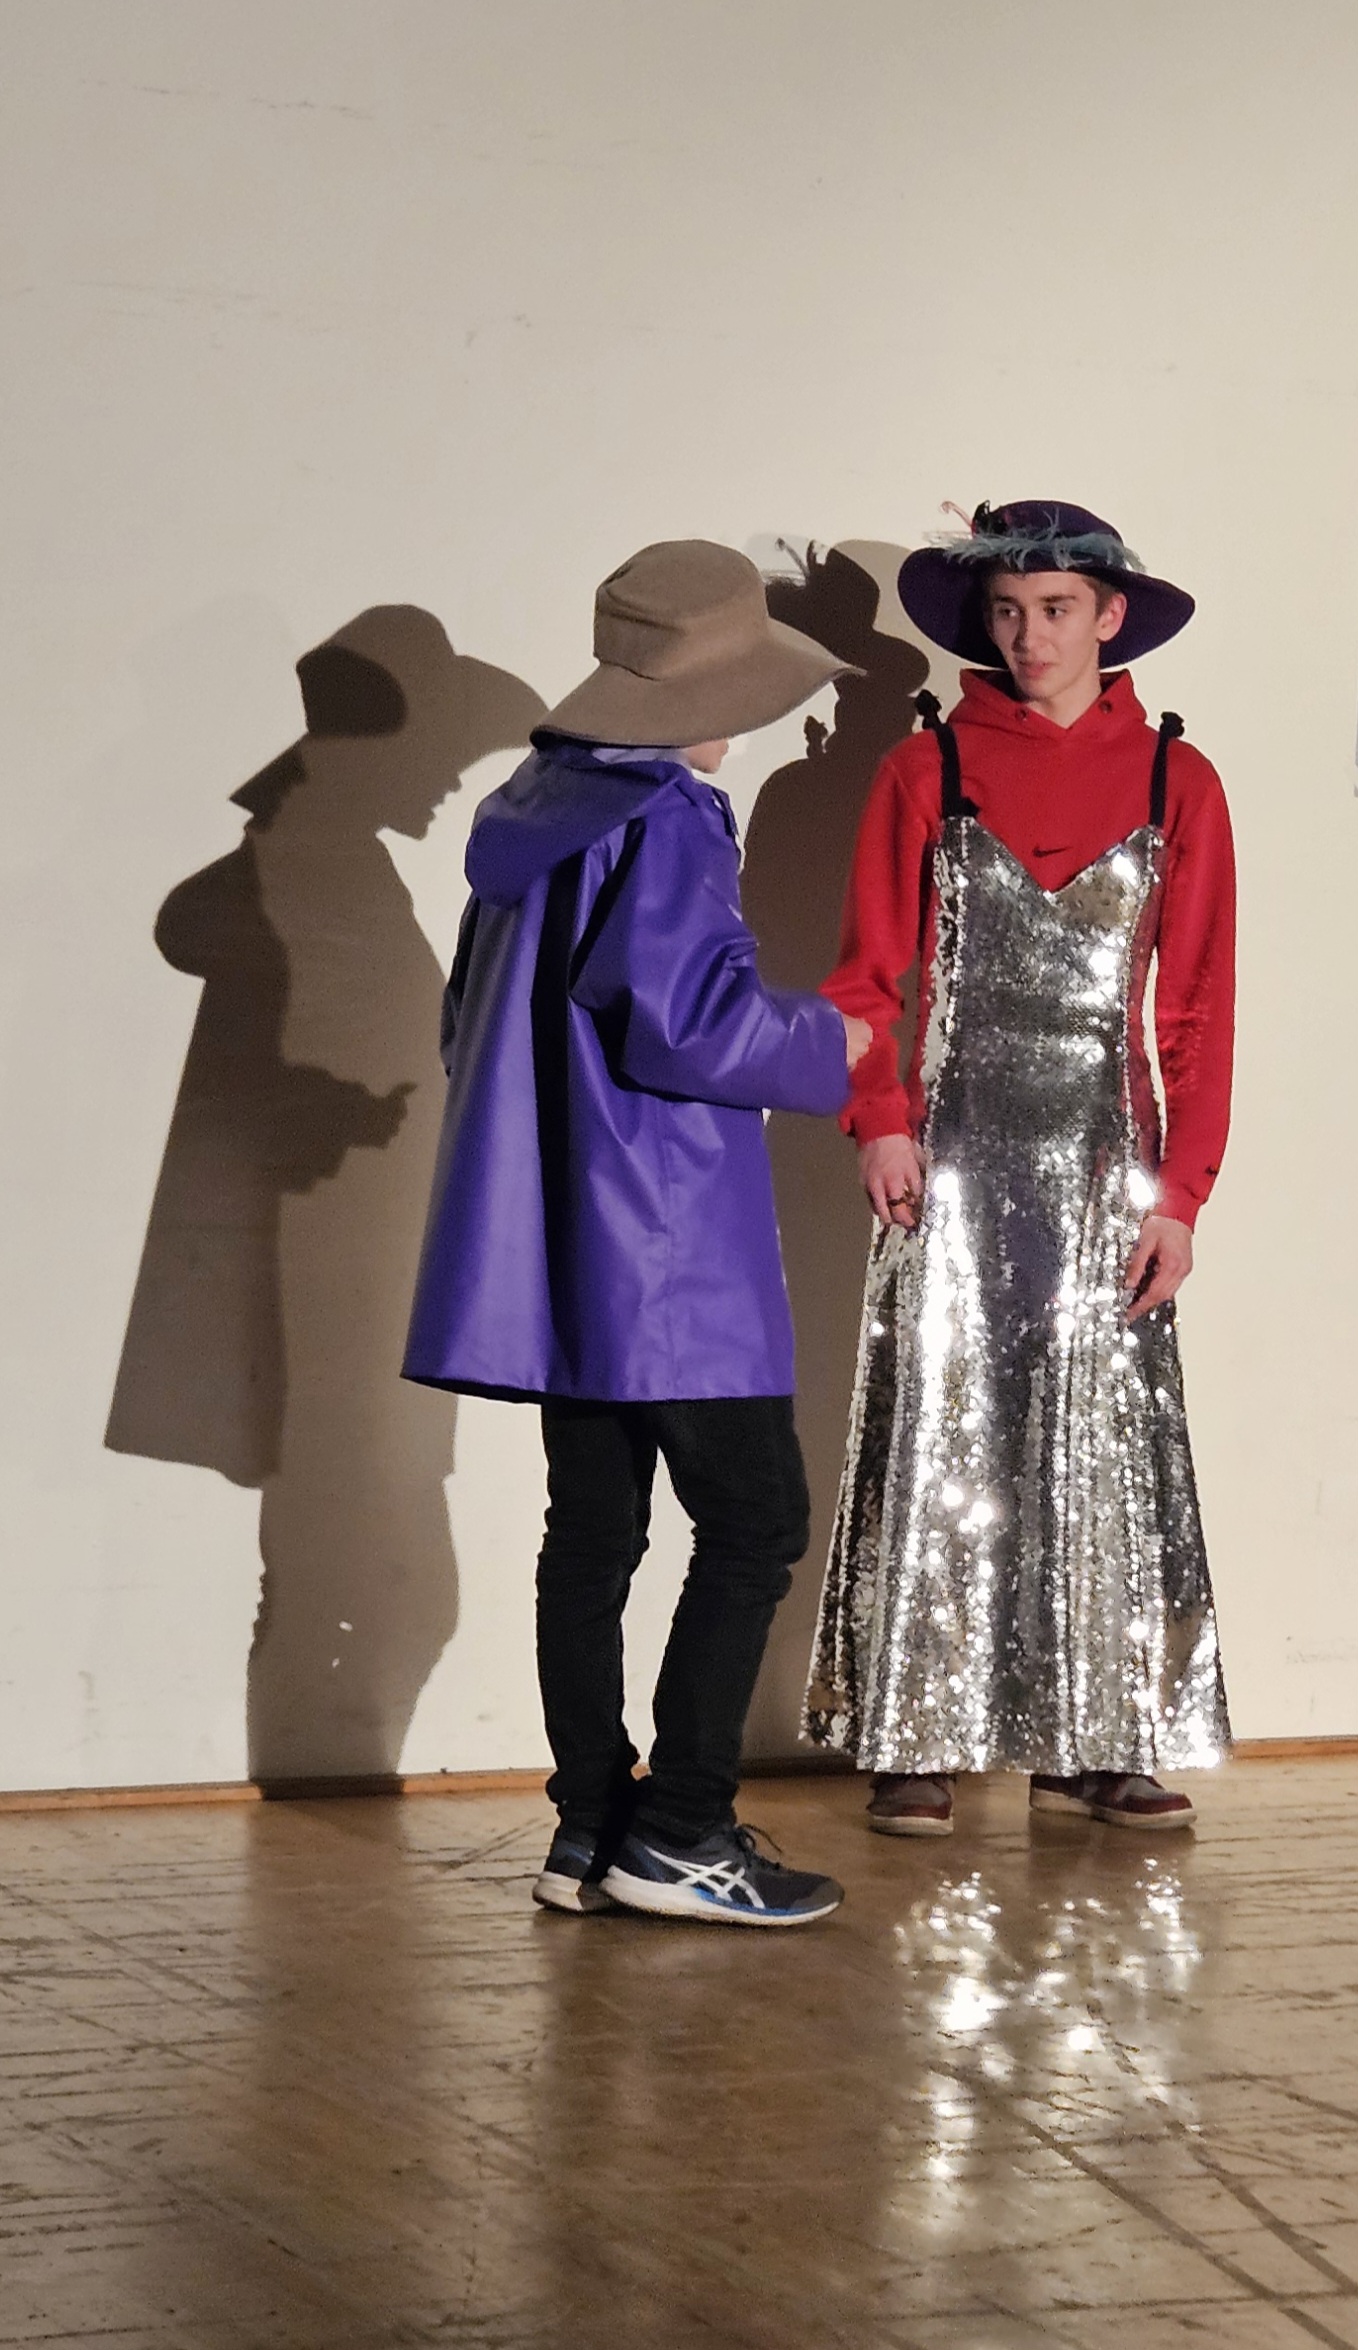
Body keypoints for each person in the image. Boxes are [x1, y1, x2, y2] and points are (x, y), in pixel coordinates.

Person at [405, 540, 871, 1924]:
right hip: (667, 1240)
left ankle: (589, 1827)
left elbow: (468, 1027)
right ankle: (680, 1833)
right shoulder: (667, 816)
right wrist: (831, 1041)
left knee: (592, 1529)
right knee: (755, 1517)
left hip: (566, 1234)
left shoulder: (531, 809)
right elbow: (687, 1020)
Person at [804, 500, 1233, 1836]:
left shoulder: (1175, 780)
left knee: (1094, 1438)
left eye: (1054, 610)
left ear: (1110, 616)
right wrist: (878, 1115)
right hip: (954, 1150)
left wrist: (1181, 1193)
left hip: (1105, 1157)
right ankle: (915, 1730)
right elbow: (865, 976)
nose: (1028, 637)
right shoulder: (923, 766)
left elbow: (1196, 1008)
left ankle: (1090, 1735)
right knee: (941, 1421)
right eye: (1005, 613)